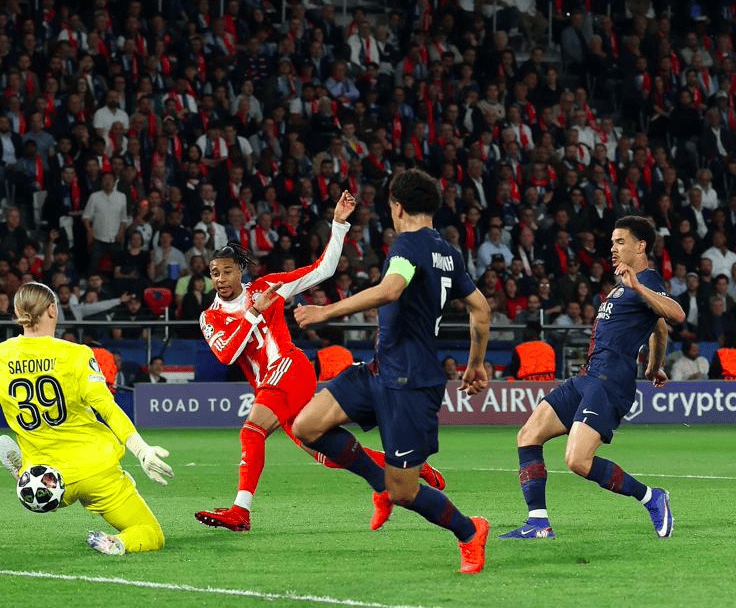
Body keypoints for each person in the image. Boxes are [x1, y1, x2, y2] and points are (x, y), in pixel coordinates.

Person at [195, 189, 444, 534]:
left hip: (288, 367)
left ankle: (241, 511)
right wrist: (253, 314)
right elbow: (227, 355)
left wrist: (338, 224)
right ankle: (409, 467)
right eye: (214, 273)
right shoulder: (210, 317)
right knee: (327, 453)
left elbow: (322, 269)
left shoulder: (268, 287)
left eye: (226, 272)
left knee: (252, 431)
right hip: (270, 385)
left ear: (240, 272)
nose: (220, 279)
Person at [291, 169, 492, 574]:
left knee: (406, 493)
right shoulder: (449, 253)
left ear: (397, 207)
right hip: (381, 371)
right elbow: (481, 309)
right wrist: (475, 364)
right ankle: (378, 481)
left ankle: (470, 530)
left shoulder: (406, 245)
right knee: (307, 427)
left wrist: (325, 311)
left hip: (411, 385)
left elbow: (391, 289)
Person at [0, 282, 172, 556]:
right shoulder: (77, 354)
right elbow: (108, 409)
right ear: (52, 310)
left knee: (39, 484)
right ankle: (117, 543)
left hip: (50, 482)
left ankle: (24, 476)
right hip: (96, 471)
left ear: (17, 312)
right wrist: (141, 450)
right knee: (150, 532)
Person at [499, 216, 685, 541]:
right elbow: (658, 327)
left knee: (577, 460)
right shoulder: (624, 286)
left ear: (641, 246)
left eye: (620, 241)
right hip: (586, 378)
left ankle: (651, 497)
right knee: (528, 435)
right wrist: (653, 366)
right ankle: (538, 522)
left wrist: (638, 287)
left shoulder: (646, 281)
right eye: (612, 242)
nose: (613, 248)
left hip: (610, 383)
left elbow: (676, 314)